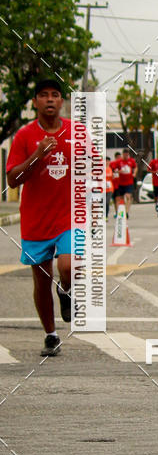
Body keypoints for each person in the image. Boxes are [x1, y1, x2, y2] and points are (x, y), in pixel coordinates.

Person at [6, 78, 74, 356]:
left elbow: (92, 166)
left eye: (54, 95)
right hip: (36, 219)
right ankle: (50, 334)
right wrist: (37, 155)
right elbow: (12, 180)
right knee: (41, 280)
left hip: (69, 216)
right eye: (43, 95)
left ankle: (66, 289)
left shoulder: (76, 132)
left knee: (68, 266)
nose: (49, 99)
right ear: (35, 102)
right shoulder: (24, 136)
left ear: (61, 101)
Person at [112, 148, 135, 216]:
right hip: (121, 183)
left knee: (128, 196)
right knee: (121, 199)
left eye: (127, 155)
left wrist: (134, 173)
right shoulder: (118, 161)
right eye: (125, 155)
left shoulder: (131, 161)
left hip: (129, 182)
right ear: (123, 154)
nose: (126, 156)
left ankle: (127, 212)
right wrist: (119, 171)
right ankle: (121, 211)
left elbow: (135, 167)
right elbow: (114, 170)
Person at [111, 151, 121, 216]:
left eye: (119, 157)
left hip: (120, 184)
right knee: (115, 199)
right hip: (113, 184)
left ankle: (119, 212)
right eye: (117, 157)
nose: (119, 159)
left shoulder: (122, 164)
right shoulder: (112, 164)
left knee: (119, 198)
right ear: (115, 157)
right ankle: (116, 211)